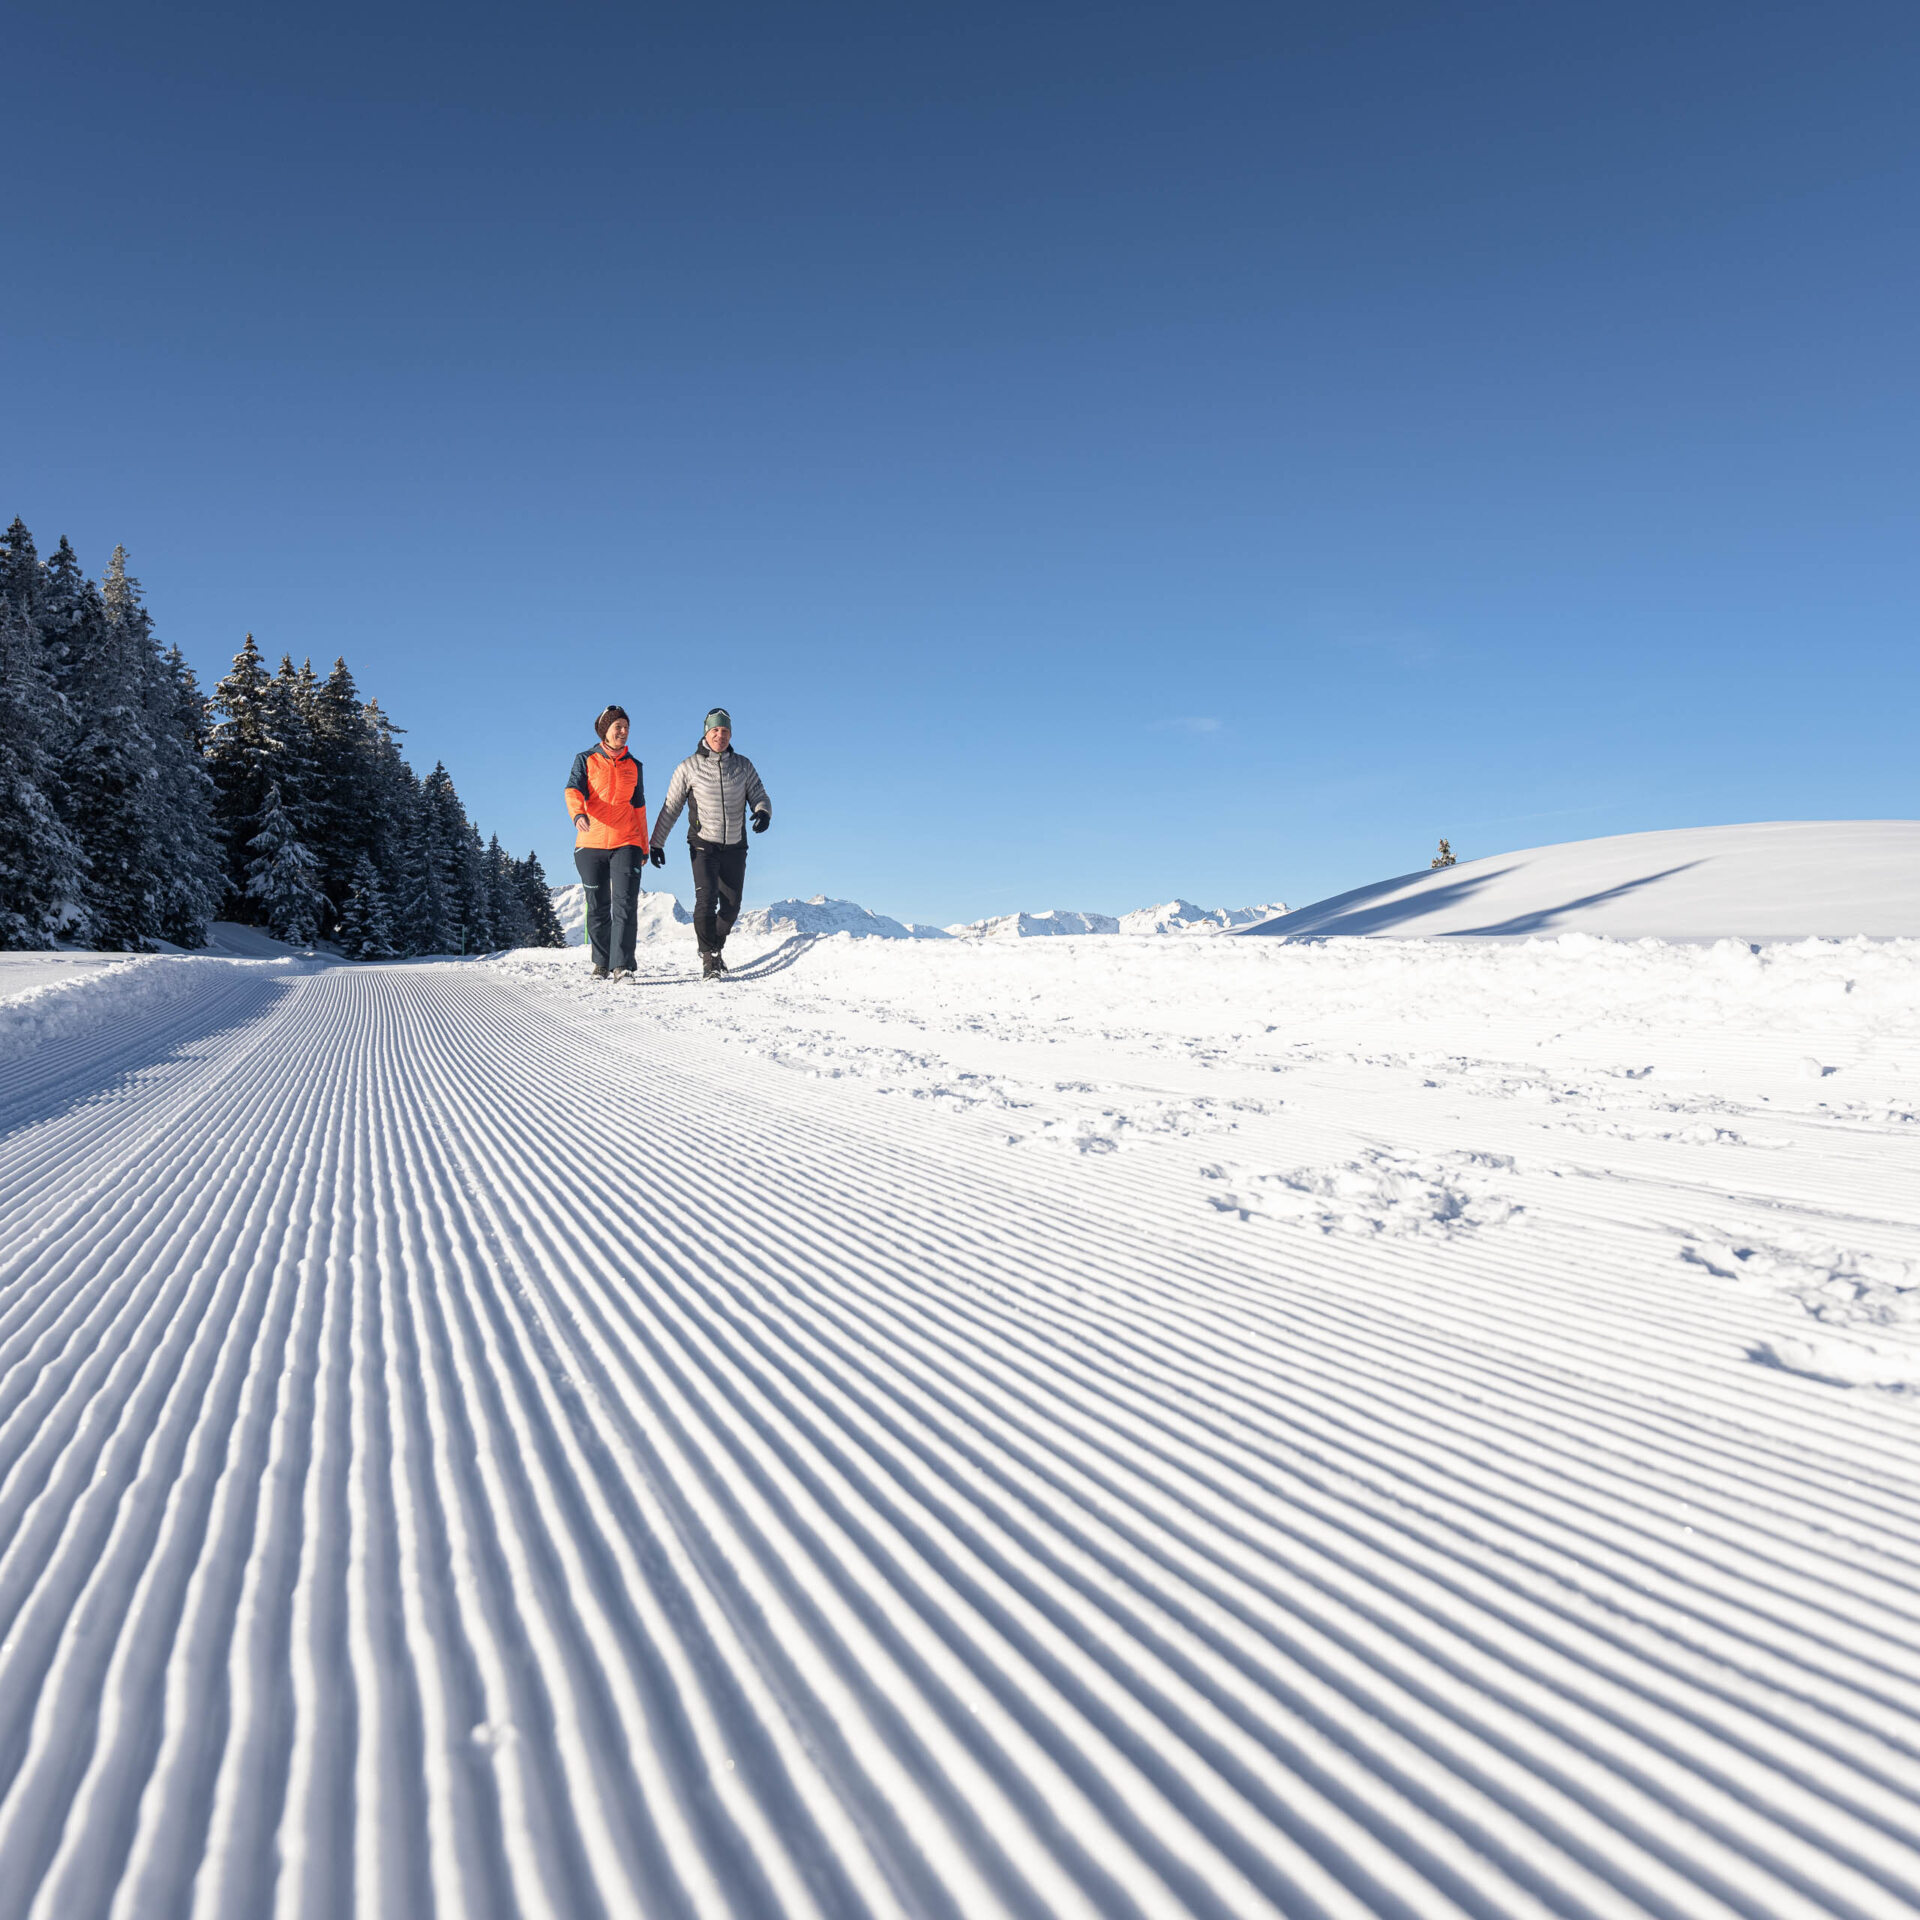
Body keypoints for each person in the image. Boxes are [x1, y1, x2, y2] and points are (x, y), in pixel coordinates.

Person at [649, 706, 771, 978]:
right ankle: (709, 956)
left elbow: (759, 794)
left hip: (736, 844)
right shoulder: (688, 767)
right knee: (705, 900)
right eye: (715, 730)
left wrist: (763, 811)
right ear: (706, 732)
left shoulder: (743, 765)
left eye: (725, 730)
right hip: (703, 842)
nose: (720, 735)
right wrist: (656, 843)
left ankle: (716, 944)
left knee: (732, 905)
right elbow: (671, 807)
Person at [564, 705, 649, 979]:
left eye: (626, 727)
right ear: (605, 730)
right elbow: (573, 789)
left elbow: (639, 809)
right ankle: (601, 962)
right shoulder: (586, 759)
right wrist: (577, 814)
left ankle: (621, 965)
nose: (623, 732)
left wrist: (644, 846)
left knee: (625, 904)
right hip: (590, 843)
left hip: (626, 841)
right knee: (598, 906)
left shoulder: (634, 766)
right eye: (618, 727)